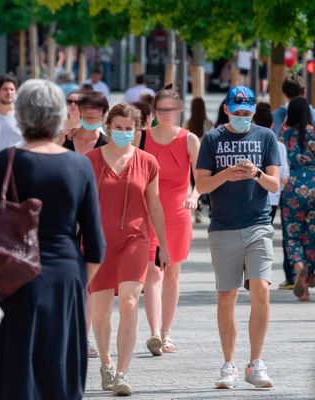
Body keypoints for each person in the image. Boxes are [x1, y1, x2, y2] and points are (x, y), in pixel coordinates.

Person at [0, 79, 104, 400]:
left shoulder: (9, 160)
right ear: (59, 116)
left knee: (13, 370)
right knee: (57, 373)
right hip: (65, 280)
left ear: (21, 116)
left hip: (12, 278)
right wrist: (72, 285)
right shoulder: (79, 165)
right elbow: (96, 246)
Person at [195, 85, 280, 389]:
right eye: (238, 112)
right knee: (227, 296)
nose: (243, 117)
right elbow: (201, 185)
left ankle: (255, 362)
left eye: (247, 112)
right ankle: (228, 364)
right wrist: (225, 175)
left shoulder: (266, 137)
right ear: (227, 109)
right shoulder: (213, 139)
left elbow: (274, 186)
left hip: (258, 224)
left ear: (254, 111)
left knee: (261, 290)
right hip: (224, 226)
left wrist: (256, 173)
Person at [87, 103, 169, 396]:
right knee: (99, 311)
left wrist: (164, 246)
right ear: (108, 128)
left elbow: (156, 205)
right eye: (118, 128)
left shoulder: (148, 162)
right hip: (97, 244)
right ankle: (106, 364)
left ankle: (122, 373)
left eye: (129, 128)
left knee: (130, 302)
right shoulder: (89, 160)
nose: (123, 133)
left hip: (135, 240)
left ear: (137, 130)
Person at [139, 87, 200, 356]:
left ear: (179, 111)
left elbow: (201, 179)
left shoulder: (190, 140)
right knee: (154, 272)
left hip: (178, 214)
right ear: (154, 111)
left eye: (170, 109)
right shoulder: (141, 138)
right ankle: (153, 334)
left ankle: (166, 333)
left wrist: (195, 196)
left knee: (172, 275)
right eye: (160, 109)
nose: (165, 114)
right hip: (148, 213)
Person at [280, 97, 315, 301]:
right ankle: (309, 277)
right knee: (311, 235)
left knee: (293, 234)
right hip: (314, 184)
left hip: (292, 186)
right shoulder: (313, 133)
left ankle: (298, 266)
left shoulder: (284, 135)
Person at [252, 102, 289, 223]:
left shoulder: (250, 144)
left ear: (253, 123)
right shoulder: (280, 147)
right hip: (273, 197)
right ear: (272, 124)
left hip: (251, 196)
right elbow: (284, 176)